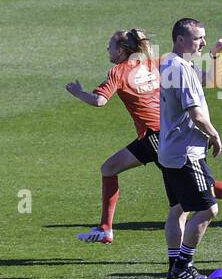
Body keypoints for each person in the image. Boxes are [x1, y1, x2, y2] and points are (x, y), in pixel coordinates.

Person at [68, 28, 161, 244]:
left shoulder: (118, 72)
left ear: (120, 51)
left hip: (154, 137)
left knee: (195, 185)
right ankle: (105, 228)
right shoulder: (150, 63)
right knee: (109, 168)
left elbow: (99, 101)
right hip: (162, 133)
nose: (107, 49)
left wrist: (77, 92)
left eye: (109, 46)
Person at [157, 18, 222, 279]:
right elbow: (196, 113)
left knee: (178, 209)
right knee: (209, 209)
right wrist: (214, 134)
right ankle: (184, 263)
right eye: (198, 39)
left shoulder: (171, 63)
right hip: (187, 153)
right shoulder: (181, 69)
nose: (203, 43)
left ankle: (174, 263)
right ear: (181, 40)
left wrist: (216, 55)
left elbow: (209, 81)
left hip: (169, 151)